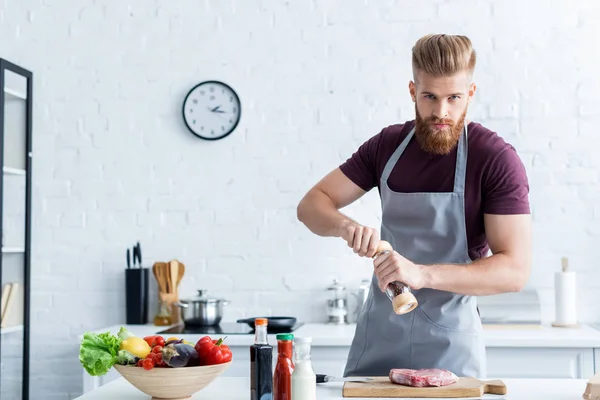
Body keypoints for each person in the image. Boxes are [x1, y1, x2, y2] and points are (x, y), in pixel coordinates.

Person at [296, 33, 532, 379]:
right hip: (379, 335)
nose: (441, 112)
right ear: (412, 91)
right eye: (429, 97)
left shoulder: (494, 159)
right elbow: (311, 205)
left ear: (470, 93)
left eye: (453, 97)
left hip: (451, 346)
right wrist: (346, 227)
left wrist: (422, 274)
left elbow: (515, 271)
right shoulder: (387, 146)